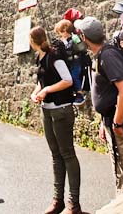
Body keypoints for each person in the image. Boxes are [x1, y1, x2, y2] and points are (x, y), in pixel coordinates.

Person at [75, 16, 123, 193]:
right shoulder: (101, 55)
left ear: (84, 37)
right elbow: (108, 93)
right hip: (116, 123)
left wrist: (117, 122)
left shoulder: (108, 55)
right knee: (121, 176)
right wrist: (105, 121)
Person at [30, 27, 82, 214]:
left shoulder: (54, 57)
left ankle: (73, 204)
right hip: (47, 111)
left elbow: (67, 80)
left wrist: (47, 91)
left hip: (61, 110)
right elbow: (41, 81)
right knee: (55, 155)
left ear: (34, 41)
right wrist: (36, 92)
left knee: (67, 154)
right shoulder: (40, 57)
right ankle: (57, 200)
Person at [54, 19, 87, 105]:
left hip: (76, 61)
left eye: (60, 32)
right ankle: (73, 93)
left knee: (74, 76)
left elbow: (77, 49)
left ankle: (80, 94)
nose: (60, 34)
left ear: (65, 30)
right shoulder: (62, 41)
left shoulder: (74, 38)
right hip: (68, 62)